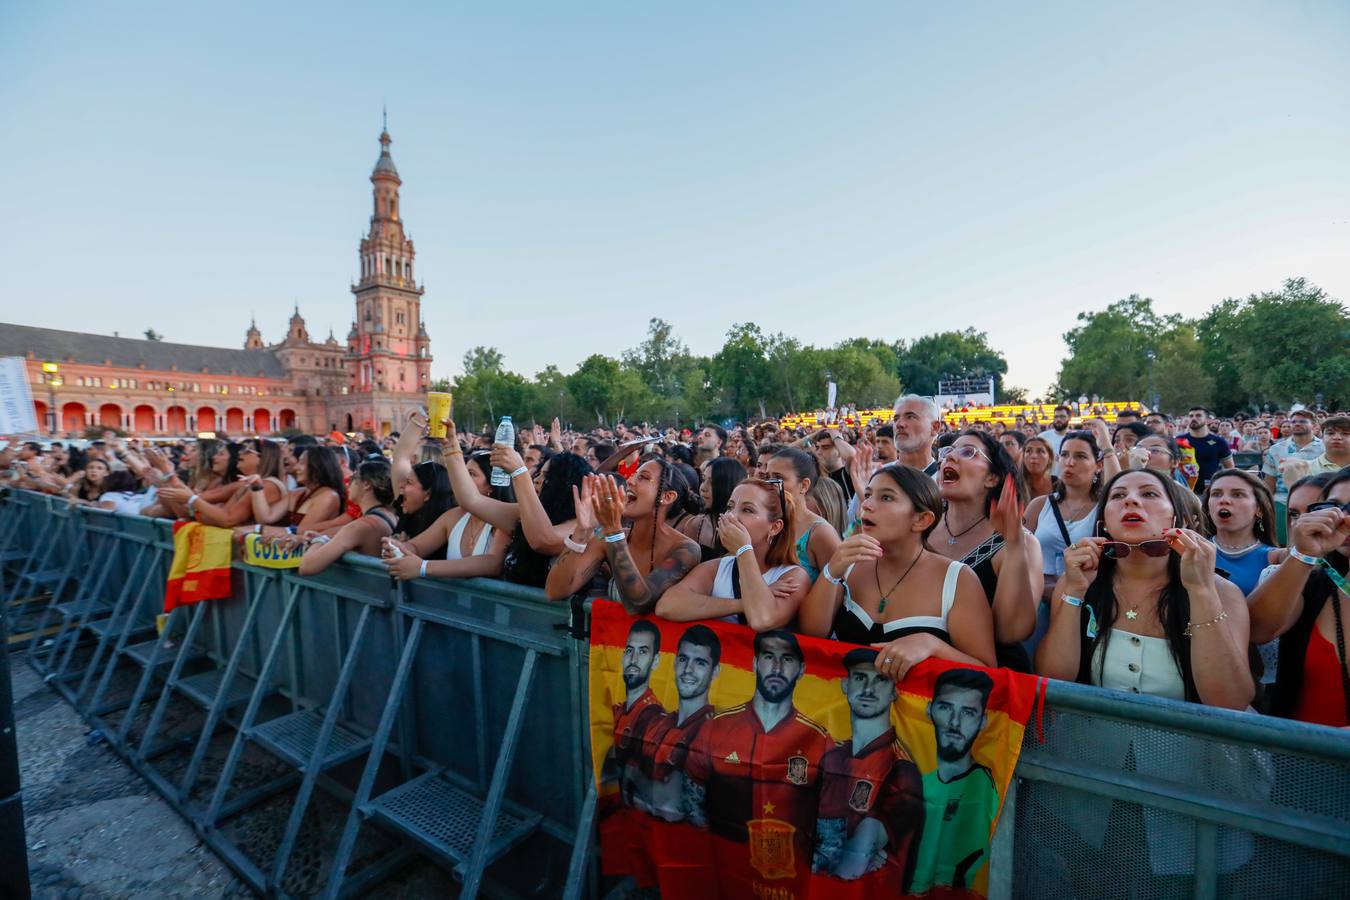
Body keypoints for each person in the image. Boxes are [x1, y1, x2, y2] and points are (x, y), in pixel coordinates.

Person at [1036, 469, 1253, 709]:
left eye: (1149, 493)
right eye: (1118, 496)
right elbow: (1053, 679)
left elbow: (1232, 702)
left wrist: (1201, 592)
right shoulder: (1077, 581)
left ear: (1177, 520)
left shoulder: (1221, 592)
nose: (1131, 500)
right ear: (1104, 523)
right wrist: (1074, 592)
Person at [800, 464, 997, 673]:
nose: (867, 504)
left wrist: (932, 645)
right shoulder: (849, 563)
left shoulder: (957, 579)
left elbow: (986, 671)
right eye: (868, 494)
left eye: (886, 498)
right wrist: (831, 572)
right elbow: (811, 634)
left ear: (921, 520)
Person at [681, 630, 834, 873]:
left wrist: (805, 874)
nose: (776, 668)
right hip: (723, 873)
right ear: (754, 663)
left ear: (802, 669)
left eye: (787, 659)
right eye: (768, 656)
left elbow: (831, 832)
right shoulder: (716, 727)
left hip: (789, 882)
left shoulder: (821, 740)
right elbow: (691, 804)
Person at [1247, 469, 1350, 727]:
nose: (1344, 517)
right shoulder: (1312, 585)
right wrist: (1304, 553)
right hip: (1301, 761)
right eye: (1334, 507)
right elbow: (1258, 630)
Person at [812, 647, 923, 884]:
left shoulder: (901, 769)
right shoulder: (830, 755)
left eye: (881, 680)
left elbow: (852, 865)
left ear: (895, 692)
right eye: (860, 677)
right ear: (845, 684)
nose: (868, 689)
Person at [933, 431, 1042, 671]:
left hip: (989, 684)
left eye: (967, 452)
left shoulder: (1021, 542)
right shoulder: (921, 527)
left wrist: (1014, 548)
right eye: (947, 451)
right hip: (921, 674)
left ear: (992, 478)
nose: (950, 457)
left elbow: (1012, 632)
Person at [545, 461, 702, 613]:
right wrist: (582, 530)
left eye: (643, 477)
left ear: (667, 497)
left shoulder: (686, 549)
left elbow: (639, 602)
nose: (630, 481)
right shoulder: (606, 539)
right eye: (633, 475)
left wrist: (614, 531)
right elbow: (555, 591)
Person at [657, 480, 809, 630]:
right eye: (730, 507)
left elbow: (762, 619)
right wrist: (742, 604)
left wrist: (744, 549)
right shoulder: (717, 568)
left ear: (775, 527)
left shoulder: (793, 577)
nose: (731, 516)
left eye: (748, 510)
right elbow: (667, 606)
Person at [908, 667, 999, 895]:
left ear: (983, 720)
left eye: (968, 712)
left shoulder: (988, 785)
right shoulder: (917, 781)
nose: (955, 722)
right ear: (929, 710)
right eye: (946, 708)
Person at [381, 451, 511, 581]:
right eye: (463, 472)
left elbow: (493, 563)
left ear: (491, 486)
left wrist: (424, 567)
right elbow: (417, 546)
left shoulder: (503, 520)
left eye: (471, 474)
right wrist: (398, 548)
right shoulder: (454, 516)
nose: (462, 478)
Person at [646, 624, 721, 822]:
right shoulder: (658, 723)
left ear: (715, 671)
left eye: (700, 663)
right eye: (683, 659)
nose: (688, 670)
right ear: (674, 662)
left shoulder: (716, 733)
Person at [298, 460, 399, 575]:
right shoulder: (390, 515)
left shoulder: (361, 526)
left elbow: (307, 567)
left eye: (353, 478)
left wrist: (321, 540)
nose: (349, 484)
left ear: (366, 484)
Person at [764, 448, 842, 583]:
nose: (770, 485)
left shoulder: (820, 533)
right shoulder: (765, 523)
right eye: (767, 478)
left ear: (804, 485)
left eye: (778, 478)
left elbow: (839, 589)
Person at [1263, 408, 1324, 545]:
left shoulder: (1325, 448)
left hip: (1317, 504)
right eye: (1293, 421)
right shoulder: (1276, 449)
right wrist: (1267, 506)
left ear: (1314, 426)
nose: (1296, 424)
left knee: (1315, 546)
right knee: (1282, 546)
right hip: (1282, 503)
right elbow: (1269, 483)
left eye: (1302, 421)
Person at [677, 457, 747, 561]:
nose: (703, 488)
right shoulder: (695, 525)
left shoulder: (745, 528)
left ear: (728, 486)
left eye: (712, 482)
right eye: (704, 480)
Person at [1184, 406, 1234, 491]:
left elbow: (1230, 467)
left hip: (1209, 490)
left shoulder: (1219, 442)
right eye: (1191, 416)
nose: (1194, 418)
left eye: (1198, 415)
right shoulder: (1179, 440)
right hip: (1184, 490)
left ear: (1208, 420)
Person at [891, 395, 942, 476]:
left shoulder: (947, 481)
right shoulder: (875, 477)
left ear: (934, 427)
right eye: (896, 419)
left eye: (910, 417)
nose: (899, 424)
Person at [1020, 436, 1056, 501]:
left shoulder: (1060, 485)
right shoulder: (1014, 485)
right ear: (1023, 456)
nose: (1034, 456)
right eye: (1028, 451)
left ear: (1050, 458)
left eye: (1040, 451)